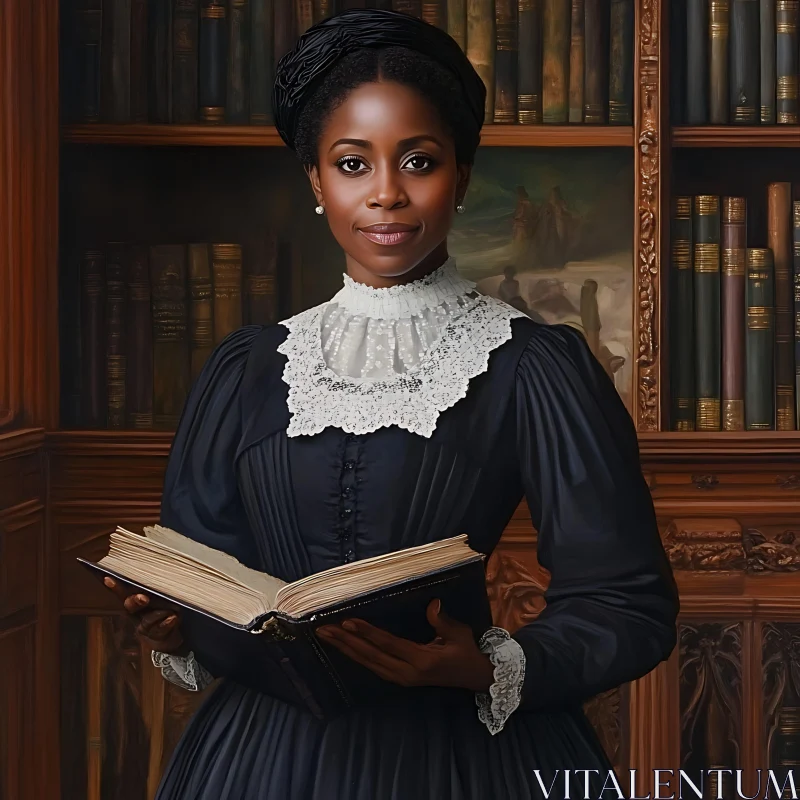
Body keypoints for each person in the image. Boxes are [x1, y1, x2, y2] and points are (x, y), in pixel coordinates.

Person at [104, 9, 679, 798]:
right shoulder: (243, 370)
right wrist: (176, 623)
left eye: (418, 160)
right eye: (351, 163)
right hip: (264, 759)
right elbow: (202, 575)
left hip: (465, 752)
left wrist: (486, 665)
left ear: (462, 176)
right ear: (314, 179)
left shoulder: (534, 366)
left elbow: (627, 600)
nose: (386, 195)